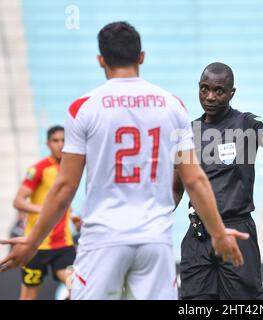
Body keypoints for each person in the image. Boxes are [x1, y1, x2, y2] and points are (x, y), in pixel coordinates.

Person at [0, 21, 248, 300]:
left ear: (101, 60)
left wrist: (33, 241)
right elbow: (194, 179)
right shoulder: (172, 105)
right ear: (141, 57)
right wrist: (218, 234)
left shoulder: (84, 107)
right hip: (154, 241)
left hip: (103, 240)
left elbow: (64, 187)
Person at [173, 62, 263, 300]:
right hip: (198, 236)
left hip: (237, 230)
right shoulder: (188, 132)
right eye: (204, 89)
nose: (210, 96)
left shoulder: (246, 124)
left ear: (231, 93)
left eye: (219, 91)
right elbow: (175, 190)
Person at [11, 126, 75, 300]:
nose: (60, 145)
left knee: (79, 289)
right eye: (55, 141)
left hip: (63, 244)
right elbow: (18, 201)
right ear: (48, 144)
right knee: (29, 297)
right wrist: (46, 211)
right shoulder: (39, 169)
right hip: (37, 245)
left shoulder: (71, 169)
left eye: (63, 140)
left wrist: (73, 216)